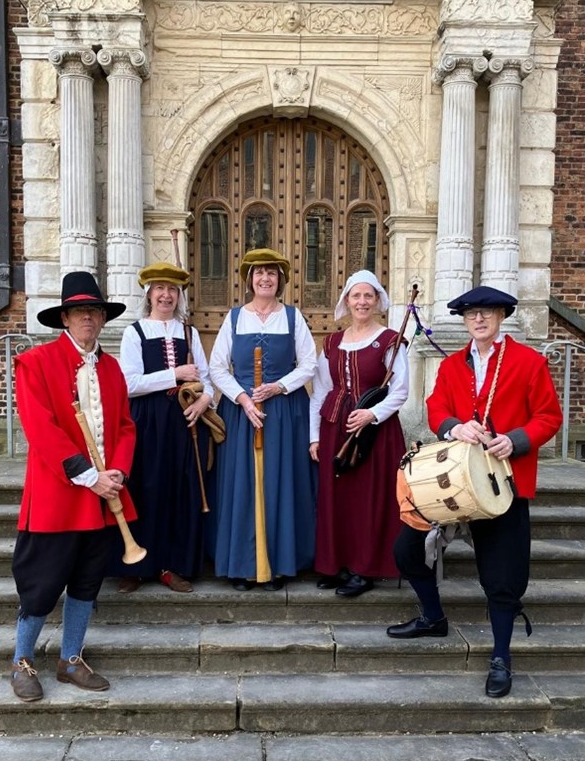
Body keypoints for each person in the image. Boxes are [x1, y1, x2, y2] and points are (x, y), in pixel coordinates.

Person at [387, 285, 563, 698]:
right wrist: (452, 427)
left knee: (502, 576)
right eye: (471, 315)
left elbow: (549, 416)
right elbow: (436, 409)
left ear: (501, 317)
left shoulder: (528, 361)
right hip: (452, 480)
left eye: (487, 313)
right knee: (406, 550)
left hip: (503, 483)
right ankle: (433, 617)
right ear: (464, 321)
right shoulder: (451, 366)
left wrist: (515, 440)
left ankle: (501, 655)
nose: (479, 320)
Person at [11, 271, 137, 702]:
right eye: (80, 310)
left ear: (103, 318)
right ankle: (22, 661)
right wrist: (88, 475)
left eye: (94, 310)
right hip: (57, 497)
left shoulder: (114, 367)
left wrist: (116, 472)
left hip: (104, 497)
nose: (88, 317)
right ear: (65, 317)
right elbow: (41, 429)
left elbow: (123, 427)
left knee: (87, 582)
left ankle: (69, 659)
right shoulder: (35, 362)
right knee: (41, 584)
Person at [209, 248, 317, 590]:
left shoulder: (293, 317)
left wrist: (279, 387)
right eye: (259, 273)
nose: (265, 278)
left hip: (283, 413)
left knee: (278, 483)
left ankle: (279, 565)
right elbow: (216, 367)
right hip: (243, 414)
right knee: (244, 487)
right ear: (249, 280)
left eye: (271, 273)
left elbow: (309, 364)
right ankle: (242, 567)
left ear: (280, 280)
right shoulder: (235, 317)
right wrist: (242, 399)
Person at [113, 262, 214, 594]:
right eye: (160, 289)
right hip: (146, 421)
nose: (166, 295)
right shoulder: (135, 332)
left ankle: (172, 565)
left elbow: (207, 378)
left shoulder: (189, 332)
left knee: (179, 490)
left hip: (184, 420)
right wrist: (175, 375)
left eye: (172, 289)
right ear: (149, 294)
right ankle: (137, 565)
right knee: (145, 487)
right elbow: (129, 384)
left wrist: (203, 402)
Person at [309, 270, 409, 597]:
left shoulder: (390, 339)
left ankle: (364, 568)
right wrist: (315, 436)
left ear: (378, 300)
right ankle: (335, 564)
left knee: (368, 500)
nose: (362, 301)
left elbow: (400, 390)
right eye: (356, 296)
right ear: (347, 301)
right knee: (336, 499)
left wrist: (371, 414)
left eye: (369, 296)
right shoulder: (333, 342)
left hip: (376, 433)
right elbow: (322, 390)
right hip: (335, 427)